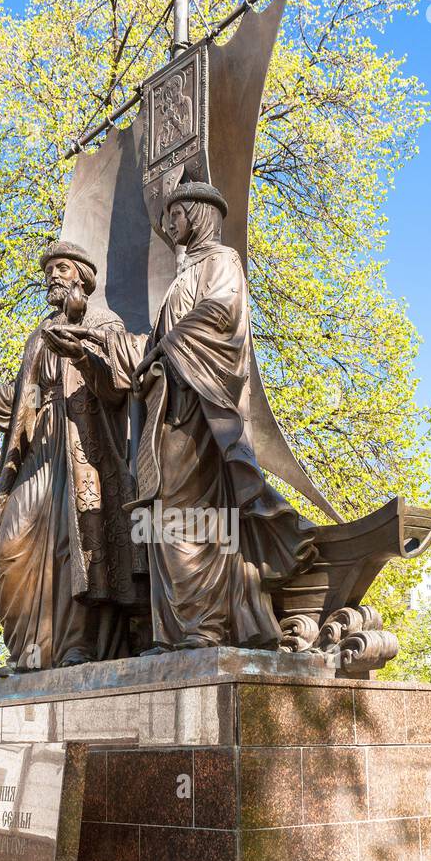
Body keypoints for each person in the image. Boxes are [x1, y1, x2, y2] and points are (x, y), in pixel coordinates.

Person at [0, 241, 143, 673]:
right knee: (12, 545)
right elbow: (19, 397)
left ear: (82, 275)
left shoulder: (104, 323)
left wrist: (81, 351)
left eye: (62, 268)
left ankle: (77, 647)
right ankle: (29, 652)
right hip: (41, 443)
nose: (53, 276)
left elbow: (121, 383)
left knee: (75, 547)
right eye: (49, 270)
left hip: (83, 447)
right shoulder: (39, 334)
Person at [125, 181, 316, 652]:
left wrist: (166, 349)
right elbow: (165, 333)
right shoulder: (183, 273)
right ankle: (175, 631)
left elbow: (222, 313)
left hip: (200, 405)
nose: (170, 224)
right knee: (165, 510)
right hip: (171, 402)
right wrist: (148, 357)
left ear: (198, 213)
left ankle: (205, 626)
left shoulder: (222, 261)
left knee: (190, 515)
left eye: (176, 214)